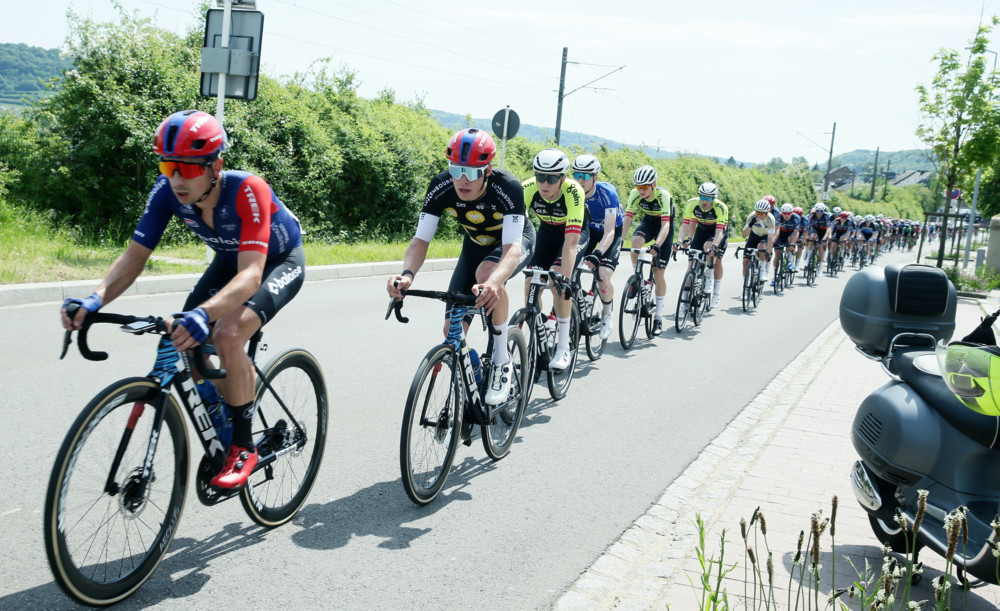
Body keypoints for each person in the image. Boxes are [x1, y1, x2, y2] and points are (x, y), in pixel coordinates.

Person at [61, 109, 306, 489]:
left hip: (276, 262)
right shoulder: (167, 193)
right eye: (167, 165)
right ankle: (226, 415)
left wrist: (205, 314)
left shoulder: (247, 189)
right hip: (230, 261)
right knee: (183, 338)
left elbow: (252, 275)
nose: (176, 178)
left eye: (188, 168)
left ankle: (243, 446)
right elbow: (134, 257)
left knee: (226, 333)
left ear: (215, 167)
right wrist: (95, 300)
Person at [387, 128, 534, 407]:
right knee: (450, 331)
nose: (463, 180)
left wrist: (495, 282)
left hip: (515, 242)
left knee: (487, 276)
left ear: (488, 170)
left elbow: (512, 249)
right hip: (475, 245)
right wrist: (407, 275)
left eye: (473, 172)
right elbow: (420, 240)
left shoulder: (508, 187)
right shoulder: (441, 186)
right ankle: (475, 376)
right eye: (456, 169)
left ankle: (503, 361)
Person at [522, 148, 587, 370]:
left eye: (551, 179)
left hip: (573, 235)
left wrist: (566, 280)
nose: (544, 184)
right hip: (546, 233)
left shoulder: (574, 192)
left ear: (563, 178)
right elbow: (514, 231)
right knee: (531, 282)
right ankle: (539, 337)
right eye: (540, 177)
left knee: (557, 281)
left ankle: (563, 347)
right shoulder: (528, 188)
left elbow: (571, 243)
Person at [573, 154, 624, 340]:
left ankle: (607, 313)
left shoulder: (607, 193)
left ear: (595, 177)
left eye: (585, 176)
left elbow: (609, 231)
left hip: (611, 232)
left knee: (602, 275)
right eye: (577, 174)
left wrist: (597, 254)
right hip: (590, 230)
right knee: (569, 267)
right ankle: (576, 306)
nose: (580, 180)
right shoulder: (573, 193)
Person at [622, 165, 674, 335]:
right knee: (635, 241)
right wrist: (619, 241)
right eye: (638, 186)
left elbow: (665, 224)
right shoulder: (635, 194)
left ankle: (658, 317)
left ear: (654, 184)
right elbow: (628, 219)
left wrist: (657, 245)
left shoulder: (663, 196)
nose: (641, 190)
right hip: (649, 222)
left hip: (664, 226)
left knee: (658, 272)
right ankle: (637, 279)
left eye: (644, 187)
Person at [675, 182, 728, 310]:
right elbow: (686, 224)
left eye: (709, 198)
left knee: (711, 252)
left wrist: (715, 246)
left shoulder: (721, 207)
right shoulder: (692, 203)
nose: (705, 201)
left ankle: (714, 288)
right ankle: (684, 301)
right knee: (691, 264)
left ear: (714, 198)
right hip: (702, 229)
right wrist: (681, 241)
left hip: (717, 231)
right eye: (702, 197)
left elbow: (719, 231)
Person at [741, 198, 775, 283]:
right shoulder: (752, 216)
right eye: (757, 213)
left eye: (762, 214)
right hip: (754, 234)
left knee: (761, 247)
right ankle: (746, 284)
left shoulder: (771, 219)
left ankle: (763, 270)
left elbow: (770, 238)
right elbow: (743, 235)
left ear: (767, 213)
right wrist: (750, 224)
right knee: (745, 262)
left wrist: (768, 251)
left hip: (765, 236)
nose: (759, 216)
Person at [771, 203, 801, 284]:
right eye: (784, 213)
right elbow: (775, 229)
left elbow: (796, 232)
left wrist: (793, 244)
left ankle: (790, 261)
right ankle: (774, 276)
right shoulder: (779, 217)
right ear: (781, 213)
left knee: (790, 242)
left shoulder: (796, 218)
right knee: (777, 253)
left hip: (790, 234)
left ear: (792, 213)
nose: (786, 215)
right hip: (780, 234)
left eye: (789, 213)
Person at [801, 203, 833, 275]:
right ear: (815, 210)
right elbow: (807, 226)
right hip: (815, 229)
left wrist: (824, 239)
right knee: (812, 238)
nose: (819, 213)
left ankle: (820, 267)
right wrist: (807, 235)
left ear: (823, 211)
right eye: (817, 211)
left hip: (823, 231)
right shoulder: (812, 215)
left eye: (821, 211)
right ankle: (808, 258)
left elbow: (828, 230)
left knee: (821, 248)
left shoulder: (826, 216)